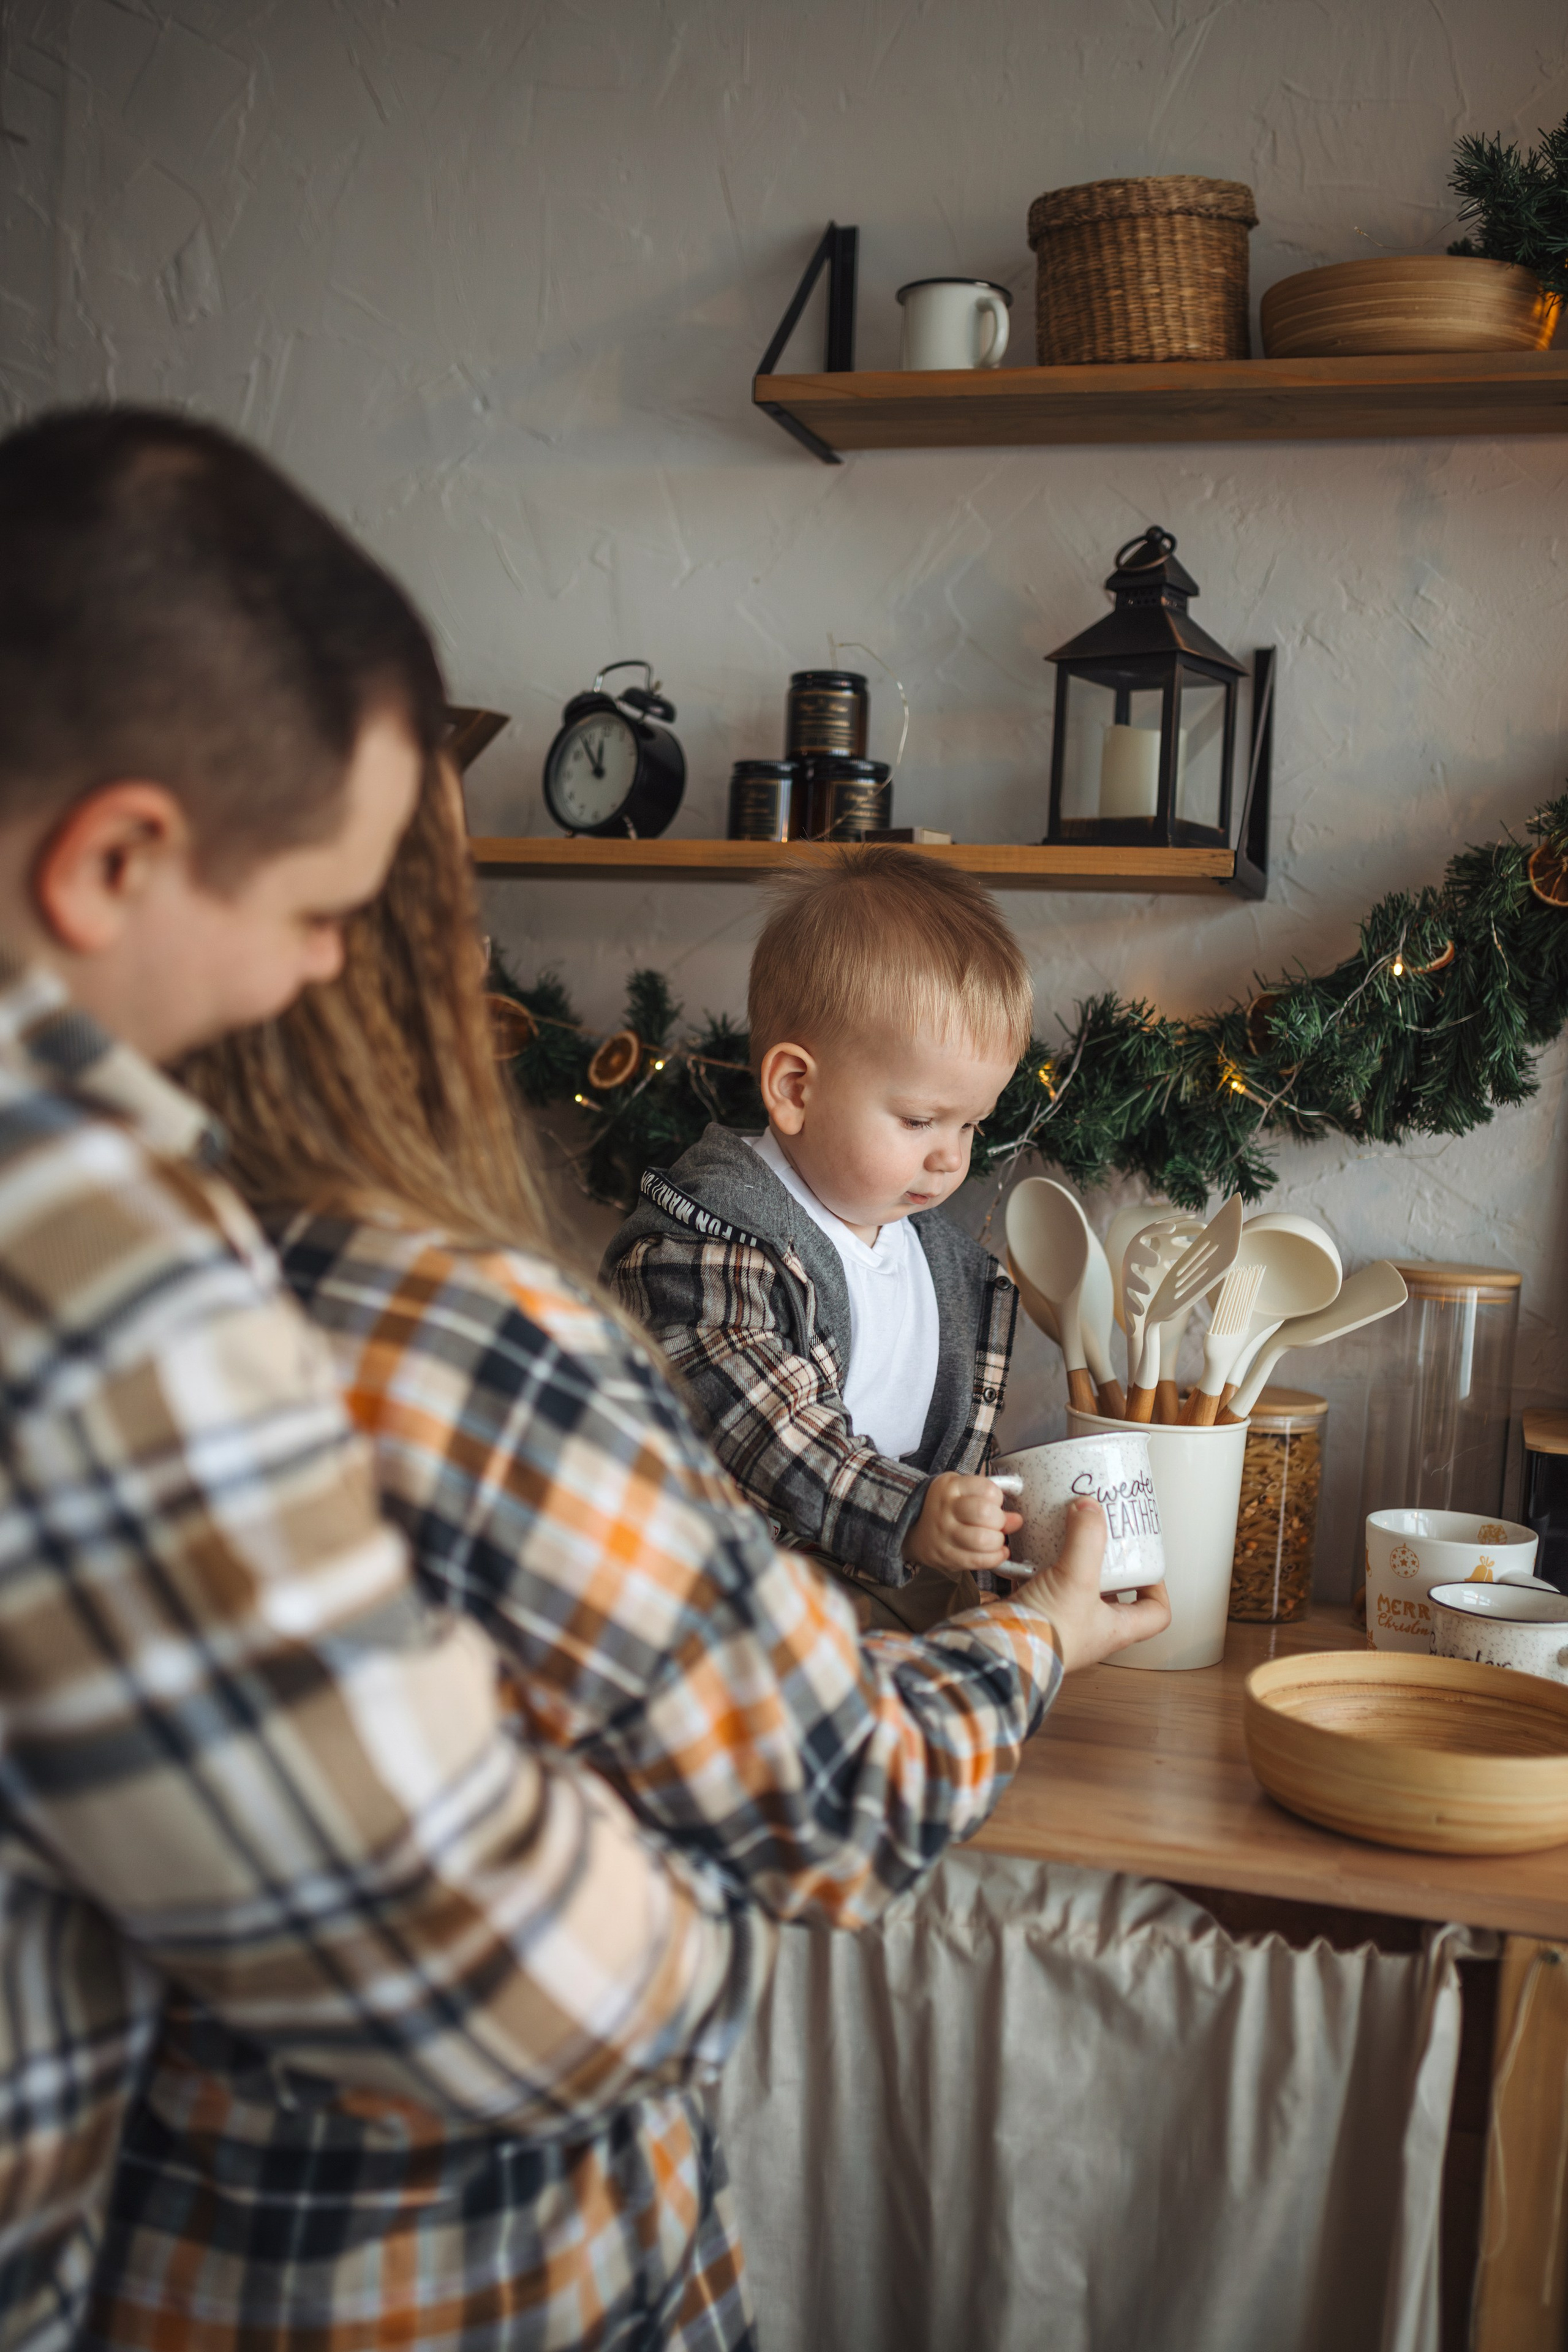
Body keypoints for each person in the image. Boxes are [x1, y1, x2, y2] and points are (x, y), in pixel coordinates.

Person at [85, 758, 1169, 2348]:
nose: (473, 959)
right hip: (486, 2269)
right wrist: (1045, 1630)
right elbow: (838, 1795)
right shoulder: (490, 1334)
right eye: (440, 915)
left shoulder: (100, 1317)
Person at [0, 406, 769, 2352]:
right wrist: (706, 1945)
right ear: (113, 858)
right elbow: (464, 1942)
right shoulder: (75, 1252)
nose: (324, 976)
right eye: (316, 914)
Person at [605, 851, 1033, 1634]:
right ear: (795, 1089)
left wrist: (976, 1527)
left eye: (972, 1123)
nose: (951, 1157)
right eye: (919, 1120)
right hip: (712, 1612)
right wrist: (912, 1515)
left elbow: (950, 1438)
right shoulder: (710, 1244)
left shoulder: (942, 1264)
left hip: (888, 1600)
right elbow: (769, 1434)